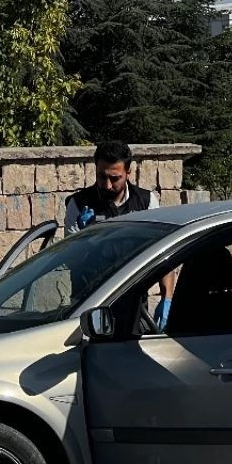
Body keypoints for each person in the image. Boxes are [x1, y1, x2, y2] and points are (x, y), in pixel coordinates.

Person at [65, 141, 175, 329]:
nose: (107, 185)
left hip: (133, 303)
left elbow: (162, 255)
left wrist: (167, 299)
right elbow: (71, 260)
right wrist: (84, 237)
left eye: (114, 178)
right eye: (102, 176)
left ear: (128, 173)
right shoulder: (78, 204)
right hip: (89, 304)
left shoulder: (146, 203)